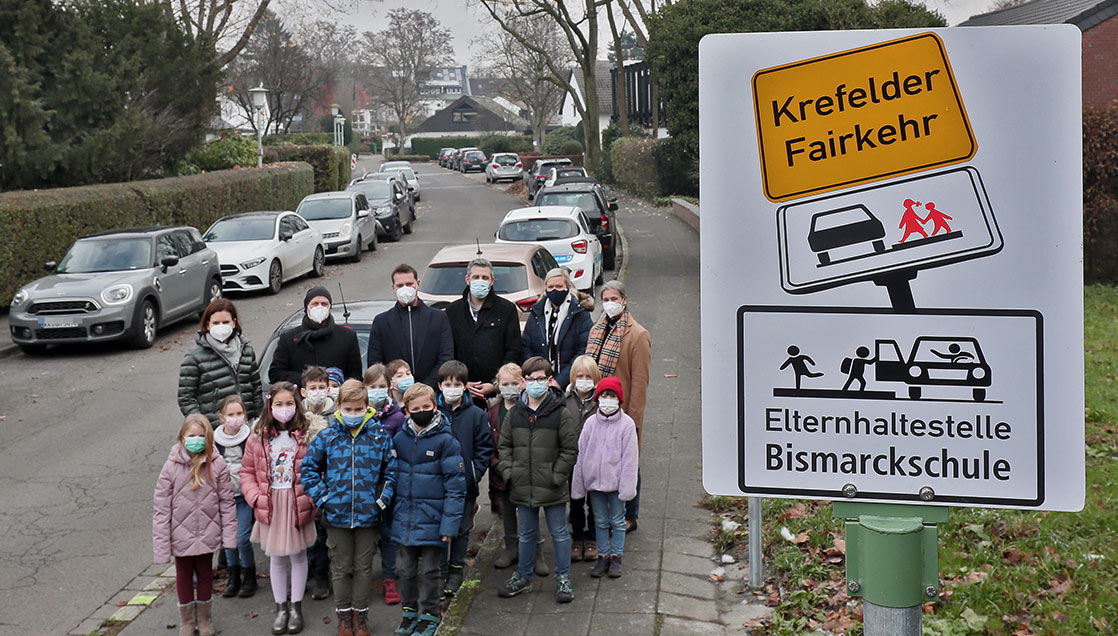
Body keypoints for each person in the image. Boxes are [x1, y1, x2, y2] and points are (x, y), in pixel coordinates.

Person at [302, 380, 398, 636]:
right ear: (339, 407)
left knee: (364, 567)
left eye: (358, 409)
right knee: (342, 567)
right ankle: (344, 617)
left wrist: (381, 500)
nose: (353, 414)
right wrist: (323, 498)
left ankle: (361, 616)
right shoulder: (328, 436)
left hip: (368, 515)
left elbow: (391, 471)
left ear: (366, 407)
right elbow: (308, 469)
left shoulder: (379, 436)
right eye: (348, 409)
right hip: (336, 515)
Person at [497, 357, 579, 604]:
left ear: (549, 380)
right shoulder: (515, 415)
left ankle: (563, 577)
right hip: (522, 486)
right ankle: (523, 576)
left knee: (560, 533)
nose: (536, 384)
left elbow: (569, 450)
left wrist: (557, 476)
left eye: (541, 379)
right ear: (523, 382)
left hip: (551, 487)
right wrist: (511, 472)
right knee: (527, 534)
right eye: (531, 379)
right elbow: (504, 446)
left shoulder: (560, 413)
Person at [240, 382, 317, 635]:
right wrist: (255, 498)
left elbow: (319, 468)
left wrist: (313, 497)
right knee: (276, 558)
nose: (284, 409)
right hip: (271, 504)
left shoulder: (307, 435)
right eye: (279, 404)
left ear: (297, 405)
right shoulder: (258, 436)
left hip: (297, 502)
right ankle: (281, 607)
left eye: (289, 404)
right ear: (269, 405)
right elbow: (247, 471)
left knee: (298, 556)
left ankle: (296, 607)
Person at [391, 383, 466, 636]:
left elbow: (456, 488)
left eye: (426, 406)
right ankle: (409, 611)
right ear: (407, 410)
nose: (422, 411)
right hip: (406, 517)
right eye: (416, 408)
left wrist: (449, 525)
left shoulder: (446, 441)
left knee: (431, 570)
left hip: (434, 519)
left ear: (435, 407)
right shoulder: (399, 439)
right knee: (406, 570)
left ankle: (431, 613)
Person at [153, 414, 236, 636]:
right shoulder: (171, 466)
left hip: (208, 532)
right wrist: (162, 546)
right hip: (180, 533)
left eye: (201, 436)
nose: (196, 440)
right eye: (191, 436)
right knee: (183, 574)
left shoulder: (217, 464)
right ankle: (187, 621)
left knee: (205, 573)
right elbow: (161, 508)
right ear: (182, 437)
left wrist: (229, 537)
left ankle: (205, 617)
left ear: (208, 439)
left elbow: (227, 502)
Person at [586, 280, 650, 532]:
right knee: (603, 460)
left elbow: (639, 382)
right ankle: (605, 512)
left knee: (628, 462)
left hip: (623, 409)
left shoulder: (638, 334)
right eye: (606, 299)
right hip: (599, 407)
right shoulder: (597, 330)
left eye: (614, 299)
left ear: (624, 300)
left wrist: (633, 421)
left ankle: (630, 514)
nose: (610, 304)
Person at [436, 360, 495, 597]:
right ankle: (440, 570)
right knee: (440, 529)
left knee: (461, 529)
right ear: (440, 386)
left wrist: (474, 472)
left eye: (457, 384)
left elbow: (484, 446)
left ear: (464, 386)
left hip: (465, 485)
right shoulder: (434, 413)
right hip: (438, 485)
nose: (452, 388)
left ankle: (456, 570)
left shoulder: (475, 414)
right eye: (448, 384)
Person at [571, 377, 639, 579]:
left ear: (618, 399)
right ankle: (603, 555)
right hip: (594, 484)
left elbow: (630, 460)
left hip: (616, 484)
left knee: (617, 521)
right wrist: (579, 484)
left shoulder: (627, 425)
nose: (607, 399)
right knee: (599, 521)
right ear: (598, 398)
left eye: (611, 396)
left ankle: (616, 556)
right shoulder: (591, 423)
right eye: (603, 395)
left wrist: (627, 487)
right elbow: (581, 454)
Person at [486, 363, 551, 575]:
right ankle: (511, 547)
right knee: (507, 512)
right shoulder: (493, 412)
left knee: (530, 513)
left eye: (515, 383)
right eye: (505, 384)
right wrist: (500, 467)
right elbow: (489, 445)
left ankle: (536, 551)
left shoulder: (528, 409)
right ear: (498, 385)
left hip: (526, 473)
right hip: (502, 472)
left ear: (523, 384)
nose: (510, 387)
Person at [444, 258, 522, 405]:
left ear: (492, 281)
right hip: (462, 392)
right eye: (476, 277)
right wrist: (460, 383)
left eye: (485, 277)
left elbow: (514, 350)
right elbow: (448, 351)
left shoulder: (506, 309)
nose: (480, 281)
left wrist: (496, 384)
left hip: (496, 393)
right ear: (468, 279)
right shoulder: (452, 311)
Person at [178, 299, 263, 428]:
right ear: (207, 325)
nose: (221, 326)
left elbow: (256, 387)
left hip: (247, 426)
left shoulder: (246, 351)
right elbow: (186, 398)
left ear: (234, 323)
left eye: (225, 322)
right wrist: (203, 425)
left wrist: (258, 418)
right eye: (216, 323)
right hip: (214, 429)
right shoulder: (194, 358)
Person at [367, 264, 454, 387]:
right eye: (400, 285)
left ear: (417, 283)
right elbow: (375, 362)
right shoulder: (382, 322)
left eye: (409, 284)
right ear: (393, 287)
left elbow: (446, 356)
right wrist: (393, 385)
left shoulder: (438, 318)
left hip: (431, 391)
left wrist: (426, 386)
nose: (405, 289)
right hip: (395, 393)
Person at [363, 363, 407, 605]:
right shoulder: (358, 414)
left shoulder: (397, 417)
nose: (377, 391)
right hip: (363, 482)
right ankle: (362, 577)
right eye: (372, 387)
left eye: (381, 386)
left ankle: (389, 578)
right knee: (365, 533)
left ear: (389, 387)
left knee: (388, 532)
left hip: (388, 482)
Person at [269, 287, 363, 387]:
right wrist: (307, 380)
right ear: (306, 307)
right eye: (315, 304)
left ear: (330, 307)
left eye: (324, 304)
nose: (319, 307)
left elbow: (355, 375)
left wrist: (336, 384)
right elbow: (276, 373)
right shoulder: (288, 338)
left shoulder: (347, 336)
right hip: (299, 399)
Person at [213, 395, 257, 599]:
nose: (235, 418)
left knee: (242, 538)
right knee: (228, 540)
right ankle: (234, 576)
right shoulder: (214, 441)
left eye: (239, 414)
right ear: (222, 417)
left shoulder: (250, 437)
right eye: (231, 414)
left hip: (244, 497)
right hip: (224, 498)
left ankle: (249, 574)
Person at [521, 269, 593, 389]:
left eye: (559, 286)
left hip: (570, 382)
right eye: (551, 287)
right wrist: (538, 377)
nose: (554, 290)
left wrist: (560, 381)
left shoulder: (580, 314)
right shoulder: (537, 313)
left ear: (568, 287)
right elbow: (526, 346)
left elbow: (583, 350)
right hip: (539, 383)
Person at [300, 366, 334, 602]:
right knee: (303, 527)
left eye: (322, 387)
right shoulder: (295, 416)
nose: (318, 392)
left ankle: (322, 572)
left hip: (327, 481)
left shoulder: (335, 415)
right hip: (300, 482)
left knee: (321, 530)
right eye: (313, 388)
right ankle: (307, 568)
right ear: (304, 391)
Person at [563, 355, 601, 563]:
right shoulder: (565, 400)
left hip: (594, 461)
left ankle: (592, 538)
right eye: (580, 376)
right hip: (572, 462)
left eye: (588, 376)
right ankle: (577, 537)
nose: (584, 380)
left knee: (594, 501)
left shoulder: (600, 402)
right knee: (575, 501)